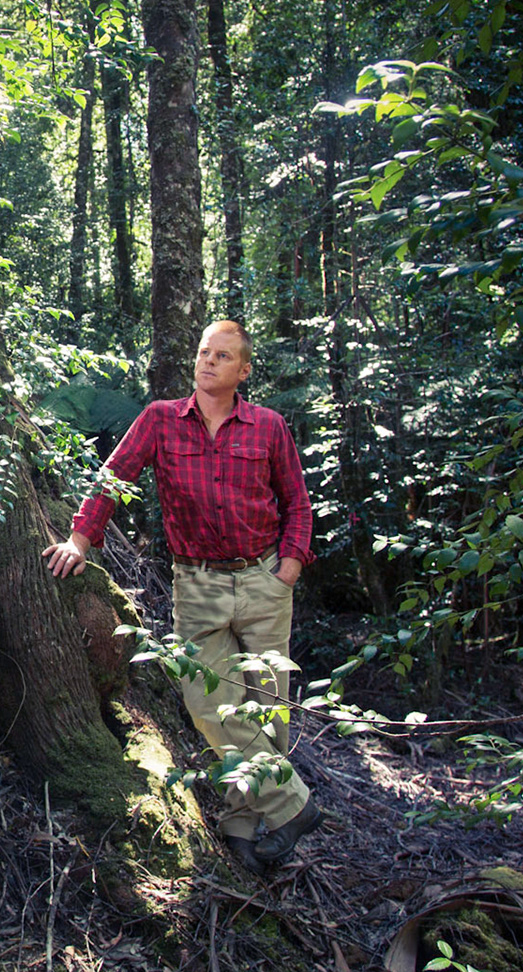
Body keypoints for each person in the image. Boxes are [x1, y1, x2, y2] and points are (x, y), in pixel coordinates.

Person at [44, 320, 323, 874]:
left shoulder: (267, 426)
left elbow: (297, 499)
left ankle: (243, 826)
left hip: (265, 579)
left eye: (222, 356)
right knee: (209, 703)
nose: (208, 362)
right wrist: (80, 538)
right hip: (197, 584)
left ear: (243, 370)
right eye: (203, 352)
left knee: (268, 712)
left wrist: (288, 567)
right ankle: (294, 806)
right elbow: (114, 475)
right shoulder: (161, 420)